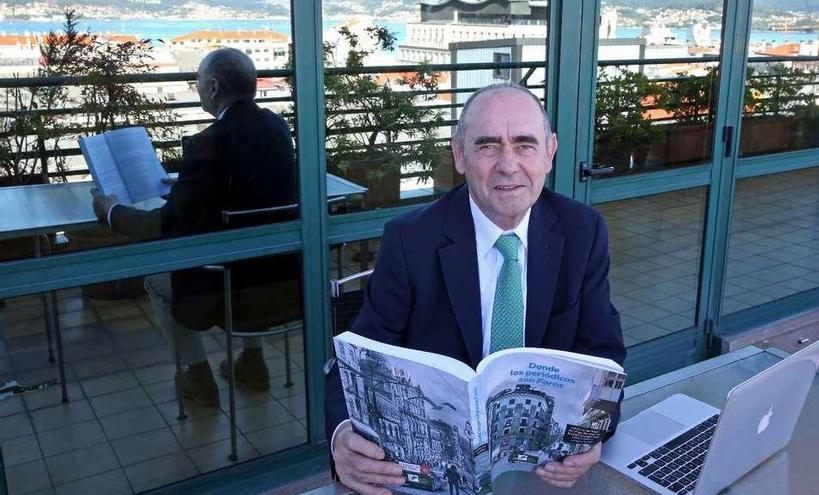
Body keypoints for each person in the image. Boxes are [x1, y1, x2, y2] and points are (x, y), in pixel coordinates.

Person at [325, 83, 626, 495]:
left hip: (539, 474)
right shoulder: (411, 239)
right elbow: (356, 358)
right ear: (459, 155)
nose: (508, 165)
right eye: (487, 146)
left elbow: (604, 354)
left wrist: (592, 438)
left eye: (525, 145)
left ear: (550, 152)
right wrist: (343, 435)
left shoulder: (582, 231)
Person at [91, 47, 298, 407]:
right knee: (247, 250)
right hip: (282, 278)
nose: (197, 87)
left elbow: (168, 225)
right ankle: (253, 361)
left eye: (198, 81)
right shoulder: (276, 127)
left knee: (156, 280)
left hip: (232, 289)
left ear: (214, 87)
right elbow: (249, 189)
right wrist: (190, 187)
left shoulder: (207, 144)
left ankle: (197, 376)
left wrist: (112, 212)